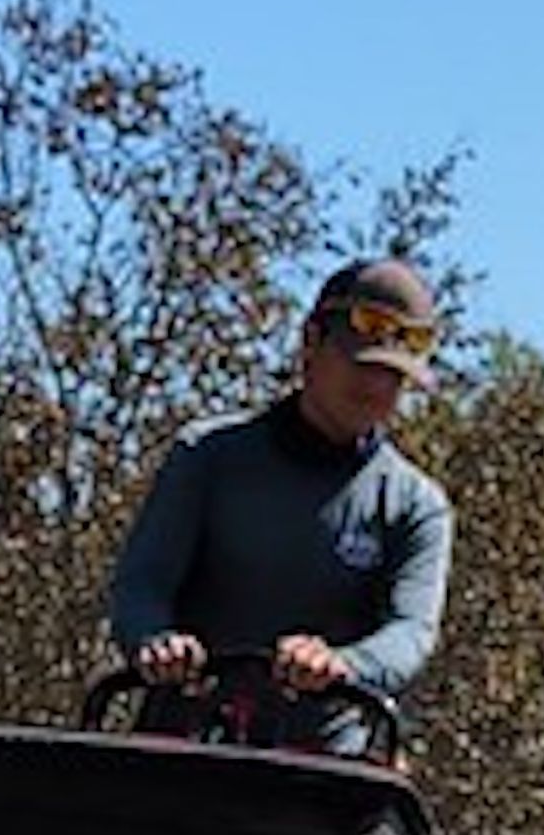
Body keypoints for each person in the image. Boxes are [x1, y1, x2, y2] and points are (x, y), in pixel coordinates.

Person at [108, 255, 454, 749]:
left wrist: (343, 664)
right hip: (183, 751)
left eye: (394, 377)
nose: (377, 387)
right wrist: (154, 640)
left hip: (326, 777)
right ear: (311, 342)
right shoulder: (207, 456)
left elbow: (411, 633)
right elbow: (141, 583)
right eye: (363, 366)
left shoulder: (414, 505)